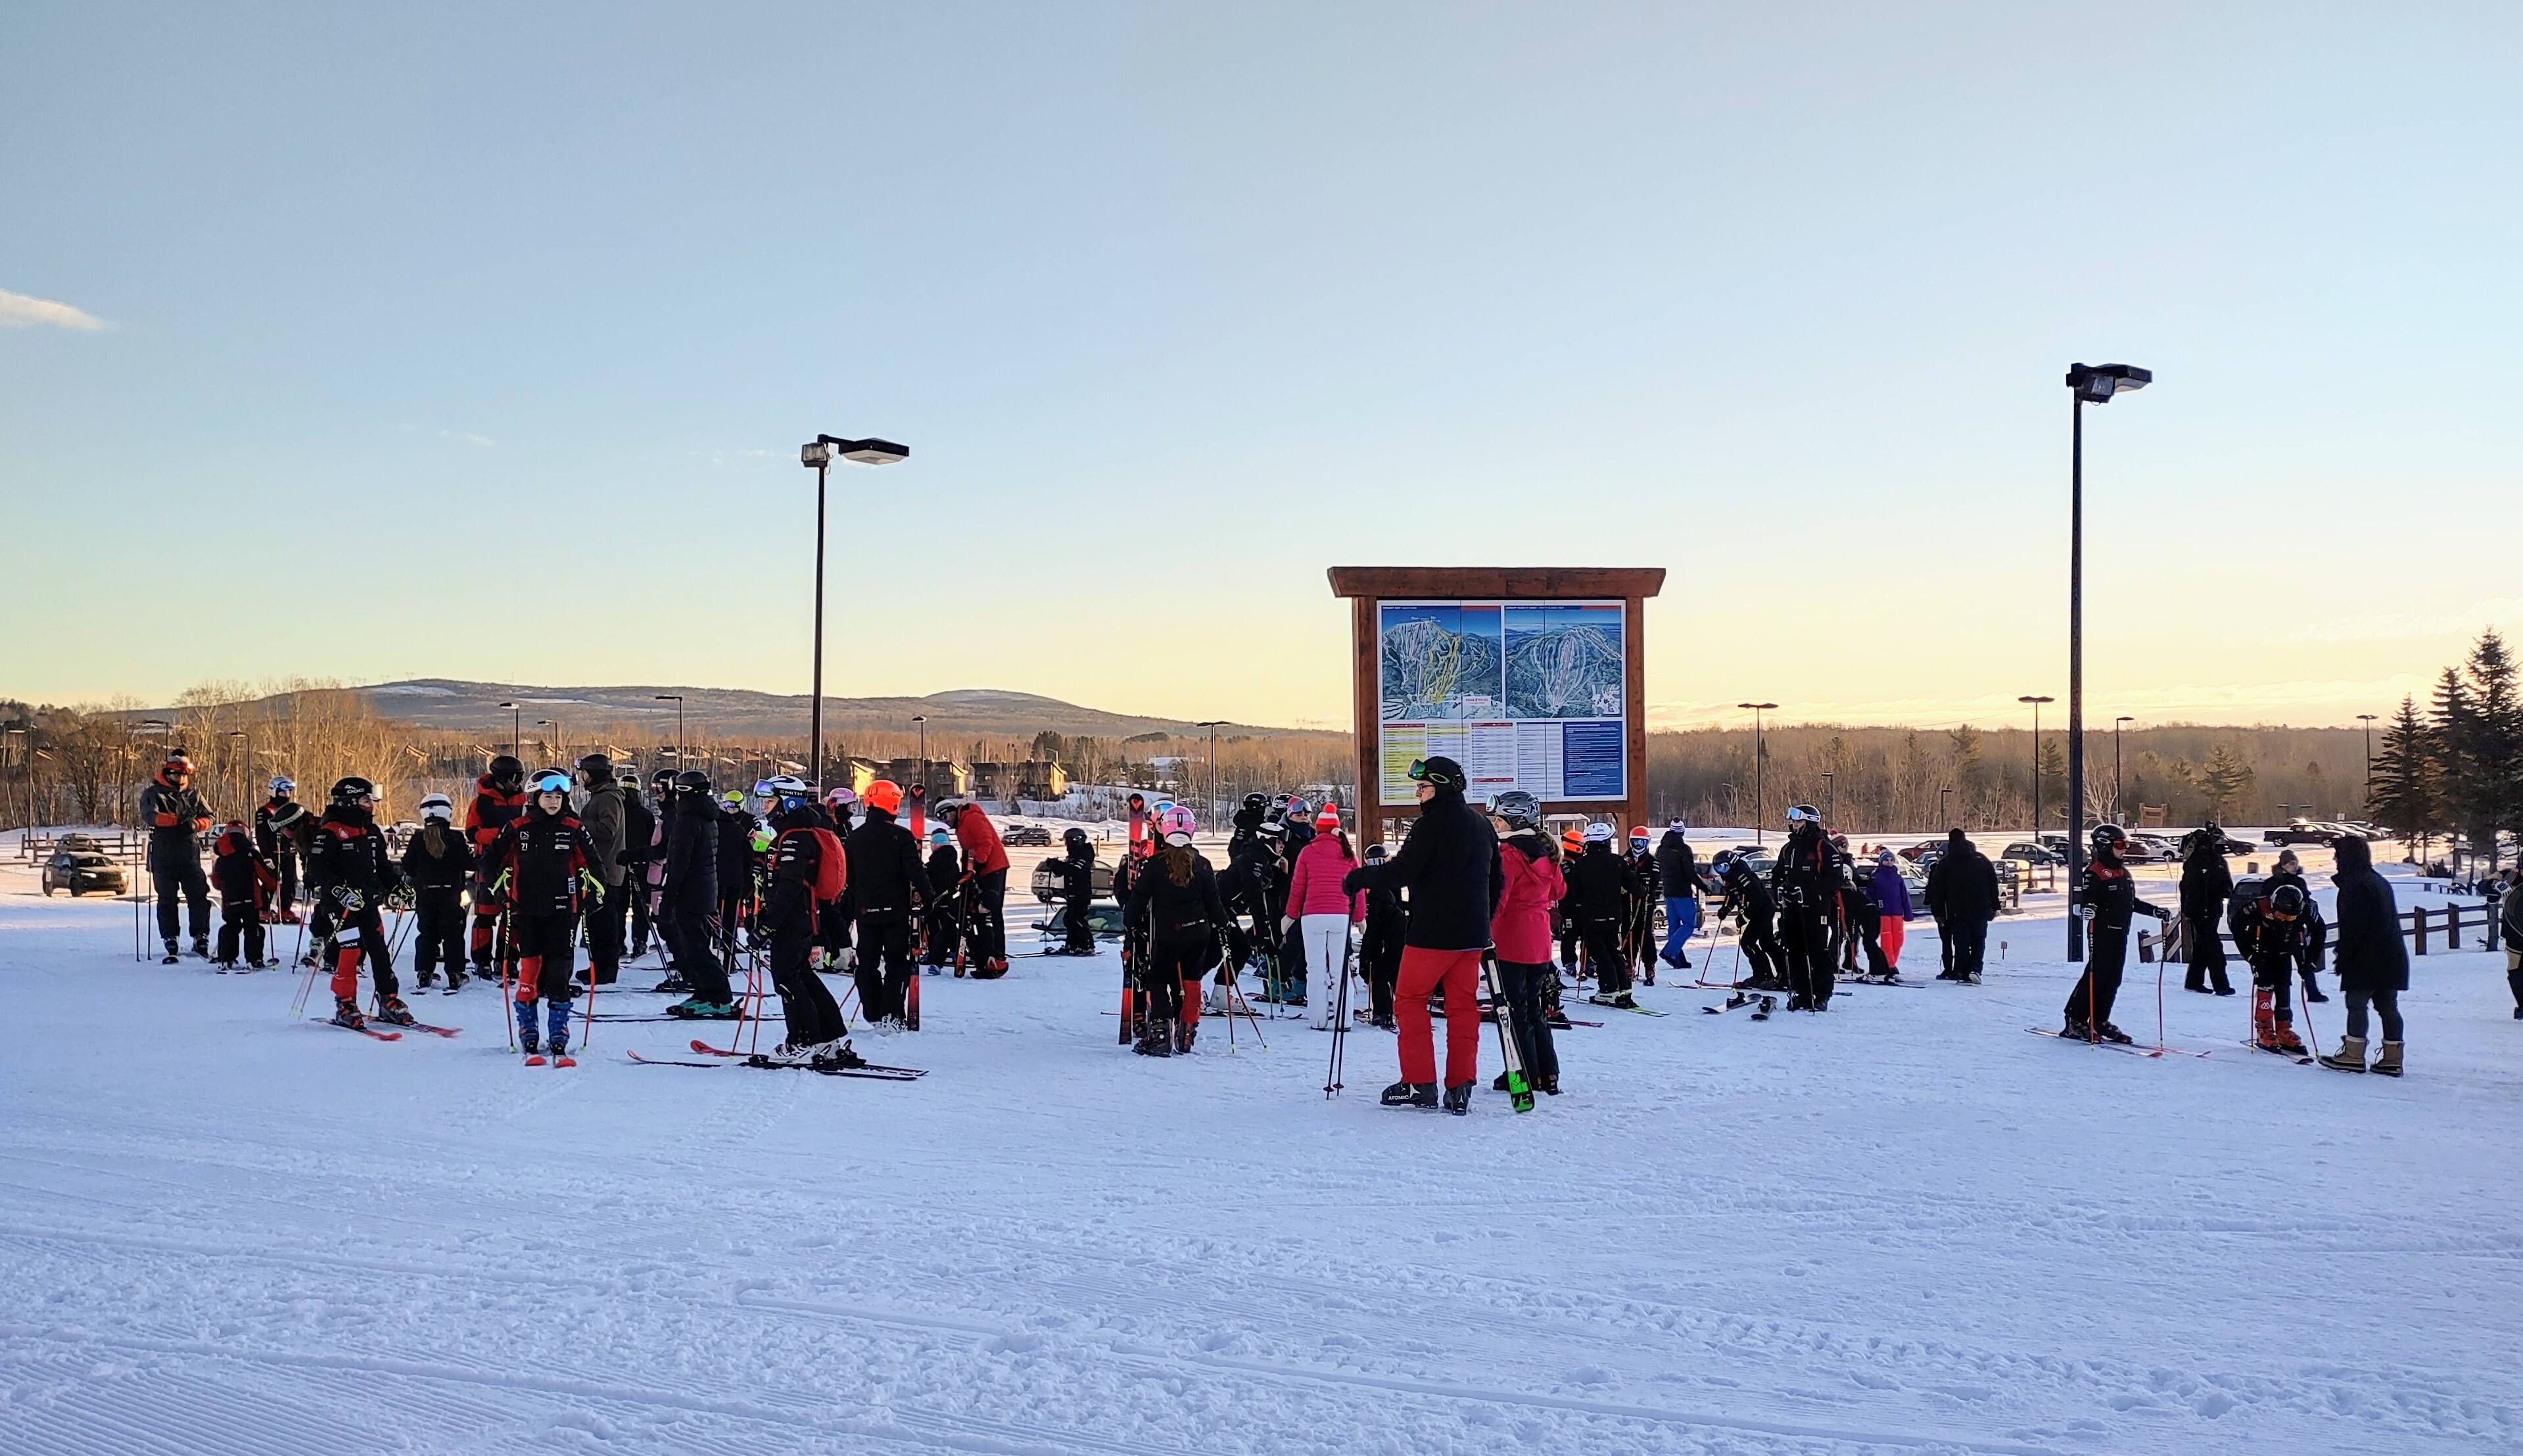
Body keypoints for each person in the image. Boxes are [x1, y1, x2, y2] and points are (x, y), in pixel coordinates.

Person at [1342, 757, 1502, 1115]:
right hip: (1471, 937)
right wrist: (1483, 920)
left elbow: (1401, 871)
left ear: (1441, 788)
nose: (1418, 793)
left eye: (1423, 787)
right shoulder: (1482, 825)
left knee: (1410, 1001)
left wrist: (1360, 878)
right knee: (1462, 1008)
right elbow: (1497, 879)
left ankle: (1419, 1082)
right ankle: (1460, 1085)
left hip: (1431, 935)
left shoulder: (1431, 825)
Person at [481, 768, 602, 1064]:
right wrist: (498, 890)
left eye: (559, 797)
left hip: (563, 911)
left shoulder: (573, 827)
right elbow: (490, 861)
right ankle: (528, 1026)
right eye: (548, 796)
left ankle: (559, 1029)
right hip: (527, 909)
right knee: (530, 971)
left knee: (559, 973)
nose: (554, 802)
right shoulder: (517, 826)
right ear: (535, 797)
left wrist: (595, 893)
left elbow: (594, 864)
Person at [753, 776, 862, 1067]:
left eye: (770, 801)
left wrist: (767, 926)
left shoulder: (795, 838)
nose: (765, 807)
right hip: (799, 919)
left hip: (793, 921)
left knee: (788, 980)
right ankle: (828, 1037)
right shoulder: (795, 832)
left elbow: (789, 888)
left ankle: (803, 1041)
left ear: (788, 804)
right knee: (802, 977)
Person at [305, 776, 413, 1029]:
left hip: (367, 901)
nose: (371, 805)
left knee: (378, 948)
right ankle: (345, 1002)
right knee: (351, 948)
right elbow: (316, 869)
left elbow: (383, 867)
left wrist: (398, 886)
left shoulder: (372, 832)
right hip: (340, 904)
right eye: (366, 800)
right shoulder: (330, 831)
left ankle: (388, 998)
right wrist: (339, 889)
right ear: (350, 802)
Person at [1125, 805, 1227, 1055]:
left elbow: (1138, 899)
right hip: (1198, 932)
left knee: (1158, 979)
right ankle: (1187, 1033)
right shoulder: (1203, 865)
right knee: (1192, 981)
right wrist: (1224, 925)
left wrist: (1130, 923)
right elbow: (1214, 902)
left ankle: (1161, 1035)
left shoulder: (1155, 865)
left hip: (1168, 933)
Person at [2063, 823, 2172, 1043]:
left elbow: (2130, 902)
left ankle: (2100, 1020)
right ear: (2104, 845)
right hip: (2102, 933)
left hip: (2121, 932)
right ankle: (2075, 1020)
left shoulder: (2123, 872)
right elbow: (2085, 902)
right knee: (2097, 976)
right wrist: (2086, 910)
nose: (2125, 850)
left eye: (2126, 845)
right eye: (2121, 845)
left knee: (2114, 978)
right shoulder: (2094, 873)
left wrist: (2154, 911)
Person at [1487, 791, 1565, 1094]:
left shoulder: (1508, 855)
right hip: (1539, 941)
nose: (1495, 824)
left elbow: (1499, 900)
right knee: (1535, 1008)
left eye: (1499, 819)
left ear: (1515, 821)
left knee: (1513, 1010)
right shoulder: (1547, 853)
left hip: (1510, 941)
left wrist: (1482, 931)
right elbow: (1559, 891)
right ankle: (1548, 1073)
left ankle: (1523, 1074)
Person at [2321, 835, 2407, 1074]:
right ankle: (2393, 1058)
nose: (2335, 860)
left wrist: (2344, 956)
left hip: (2366, 956)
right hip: (2391, 954)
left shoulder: (2355, 885)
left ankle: (2353, 1054)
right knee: (2388, 1006)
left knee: (2357, 1004)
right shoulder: (2378, 881)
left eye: (2338, 856)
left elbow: (2354, 927)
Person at [847, 780, 928, 1024]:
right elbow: (915, 872)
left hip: (865, 911)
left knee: (867, 963)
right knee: (896, 963)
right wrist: (930, 898)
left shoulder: (855, 837)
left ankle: (873, 1011)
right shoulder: (901, 837)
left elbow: (849, 876)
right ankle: (892, 1012)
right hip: (896, 912)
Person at [659, 772, 737, 1017]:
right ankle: (704, 992)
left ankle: (719, 997)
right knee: (693, 947)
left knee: (696, 950)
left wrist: (668, 899)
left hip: (691, 893)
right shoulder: (706, 816)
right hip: (703, 890)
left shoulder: (688, 820)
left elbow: (679, 863)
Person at [1283, 803, 1365, 1029]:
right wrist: (1360, 917)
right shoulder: (1348, 853)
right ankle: (1344, 1020)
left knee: (1315, 969)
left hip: (1313, 917)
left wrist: (1290, 915)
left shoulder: (1307, 852)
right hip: (1340, 916)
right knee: (1340, 969)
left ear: (1318, 829)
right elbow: (1358, 889)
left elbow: (1298, 887)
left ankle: (1318, 1020)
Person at [139, 751, 214, 962]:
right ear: (168, 773)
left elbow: (209, 817)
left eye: (184, 776)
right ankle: (170, 937)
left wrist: (196, 824)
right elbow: (150, 816)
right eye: (177, 775)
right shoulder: (153, 794)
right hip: (164, 853)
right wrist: (176, 820)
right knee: (167, 899)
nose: (181, 779)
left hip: (189, 853)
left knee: (199, 896)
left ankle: (201, 935)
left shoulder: (194, 794)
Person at [463, 755, 528, 979]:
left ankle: (507, 959)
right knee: (485, 915)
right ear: (502, 778)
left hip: (516, 864)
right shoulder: (481, 803)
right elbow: (472, 832)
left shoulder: (523, 801)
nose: (518, 783)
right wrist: (501, 835)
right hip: (489, 864)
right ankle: (482, 960)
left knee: (513, 916)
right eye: (515, 778)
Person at [402, 792, 475, 992]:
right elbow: (468, 864)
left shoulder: (418, 839)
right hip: (450, 894)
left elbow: (408, 867)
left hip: (425, 895)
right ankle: (455, 974)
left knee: (427, 933)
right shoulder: (455, 838)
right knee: (452, 934)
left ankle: (424, 972)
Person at [1565, 822, 1642, 1008]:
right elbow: (1637, 888)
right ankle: (1624, 988)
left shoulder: (1581, 864)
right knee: (1613, 950)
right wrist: (1643, 889)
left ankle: (1610, 989)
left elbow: (1573, 892)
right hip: (1613, 915)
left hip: (1591, 916)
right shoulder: (1618, 862)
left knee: (1600, 952)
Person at [1770, 805, 1838, 1012]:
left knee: (1817, 951)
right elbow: (1777, 874)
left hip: (1815, 909)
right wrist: (1779, 890)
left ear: (1809, 822)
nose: (1794, 824)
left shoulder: (1823, 847)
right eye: (1793, 821)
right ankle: (1802, 993)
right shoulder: (1789, 848)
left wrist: (1807, 891)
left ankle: (1822, 994)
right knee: (1794, 951)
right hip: (1791, 909)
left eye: (1799, 821)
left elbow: (1836, 879)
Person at [2235, 880, 2313, 1056]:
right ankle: (2264, 1028)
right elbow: (2237, 925)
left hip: (2284, 952)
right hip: (2262, 953)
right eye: (2282, 915)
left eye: (2291, 918)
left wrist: (2309, 961)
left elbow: (2318, 930)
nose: (2285, 919)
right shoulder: (2258, 906)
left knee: (2284, 985)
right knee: (2266, 985)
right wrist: (2249, 955)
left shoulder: (2303, 910)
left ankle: (2284, 1027)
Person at [939, 797, 1010, 975]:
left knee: (991, 910)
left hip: (993, 868)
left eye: (945, 817)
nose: (946, 822)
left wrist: (978, 863)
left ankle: (998, 956)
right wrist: (966, 873)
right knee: (976, 912)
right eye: (941, 820)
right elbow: (968, 851)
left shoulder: (971, 817)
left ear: (952, 812)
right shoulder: (961, 826)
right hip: (981, 871)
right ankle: (985, 956)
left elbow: (986, 841)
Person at [574, 754, 627, 987]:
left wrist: (578, 825)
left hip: (606, 871)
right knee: (596, 923)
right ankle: (598, 966)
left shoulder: (607, 798)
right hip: (599, 869)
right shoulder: (601, 796)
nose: (583, 778)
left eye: (585, 773)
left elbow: (607, 830)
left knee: (604, 924)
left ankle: (605, 970)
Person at [1925, 830, 1998, 983]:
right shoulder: (1982, 859)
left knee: (1961, 942)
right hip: (1981, 908)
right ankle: (1975, 969)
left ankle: (1964, 972)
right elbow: (1993, 883)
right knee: (1979, 940)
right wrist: (1995, 906)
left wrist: (1938, 912)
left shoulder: (1946, 863)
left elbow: (1938, 889)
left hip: (1957, 910)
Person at [2177, 825, 2238, 995]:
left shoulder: (2216, 861)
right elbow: (2196, 887)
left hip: (2211, 910)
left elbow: (2226, 884)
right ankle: (2221, 985)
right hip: (2201, 911)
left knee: (2203, 947)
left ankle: (2193, 982)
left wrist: (2224, 892)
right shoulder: (2201, 861)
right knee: (2214, 948)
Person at [1711, 850, 1785, 991]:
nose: (1721, 871)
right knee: (1767, 943)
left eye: (1724, 867)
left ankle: (1764, 976)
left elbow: (1757, 898)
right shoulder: (1730, 877)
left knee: (1748, 943)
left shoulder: (1743, 875)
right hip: (1759, 910)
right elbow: (1733, 894)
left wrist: (1745, 917)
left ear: (1732, 864)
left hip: (1762, 910)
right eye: (1718, 868)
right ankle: (1781, 976)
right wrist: (1726, 909)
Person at [209, 820, 275, 969]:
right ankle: (254, 959)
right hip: (251, 900)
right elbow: (266, 878)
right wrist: (271, 886)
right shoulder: (251, 854)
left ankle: (227, 959)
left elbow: (216, 882)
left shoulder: (221, 858)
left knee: (230, 928)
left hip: (229, 901)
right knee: (253, 928)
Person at [2269, 849, 2330, 1004]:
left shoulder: (2299, 882)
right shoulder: (2273, 882)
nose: (2295, 866)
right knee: (2279, 964)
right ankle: (2276, 991)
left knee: (2303, 961)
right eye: (2291, 864)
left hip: (2297, 929)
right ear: (2283, 865)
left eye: (2295, 863)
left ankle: (2313, 992)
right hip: (2277, 930)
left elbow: (2306, 901)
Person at [1356, 841, 1405, 1030]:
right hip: (1396, 935)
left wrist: (1365, 959)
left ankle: (1385, 1013)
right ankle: (1402, 1011)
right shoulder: (1390, 882)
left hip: (1391, 936)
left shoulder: (1377, 894)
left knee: (1380, 974)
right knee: (1392, 973)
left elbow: (1373, 932)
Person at [252, 775, 308, 924]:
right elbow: (262, 835)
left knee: (291, 882)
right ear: (274, 792)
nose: (287, 795)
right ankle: (264, 910)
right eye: (283, 792)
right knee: (270, 882)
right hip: (272, 853)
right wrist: (265, 855)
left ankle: (284, 909)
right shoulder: (264, 812)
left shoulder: (293, 810)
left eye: (289, 792)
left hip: (289, 852)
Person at [619, 771, 658, 961]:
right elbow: (652, 841)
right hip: (640, 864)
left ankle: (619, 943)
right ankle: (639, 941)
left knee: (620, 906)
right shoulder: (645, 815)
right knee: (640, 906)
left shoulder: (618, 813)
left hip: (621, 863)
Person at [1654, 818, 1700, 972]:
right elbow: (1690, 872)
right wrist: (1702, 886)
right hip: (1682, 892)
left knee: (1674, 926)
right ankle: (1669, 952)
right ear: (1682, 832)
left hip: (1668, 891)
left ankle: (1679, 960)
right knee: (1689, 924)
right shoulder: (1683, 849)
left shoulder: (1661, 849)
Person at [1050, 827, 1099, 955]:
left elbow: (1075, 870)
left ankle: (1087, 945)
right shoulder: (1074, 856)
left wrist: (1059, 866)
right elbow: (1065, 870)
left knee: (1077, 919)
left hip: (1081, 894)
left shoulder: (1084, 855)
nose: (1066, 845)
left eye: (1067, 841)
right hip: (1072, 893)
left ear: (1075, 841)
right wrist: (1054, 865)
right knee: (1069, 919)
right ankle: (1072, 944)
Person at [1624, 826, 1662, 985]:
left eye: (1642, 842)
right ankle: (1628, 962)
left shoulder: (1653, 862)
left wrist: (1647, 889)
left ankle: (1649, 964)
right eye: (1636, 842)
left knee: (1645, 934)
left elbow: (1655, 882)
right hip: (1627, 903)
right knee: (1628, 932)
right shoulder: (1624, 860)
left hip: (1646, 903)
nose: (1638, 845)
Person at [923, 827, 964, 970]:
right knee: (948, 926)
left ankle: (934, 953)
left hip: (937, 900)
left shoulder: (935, 862)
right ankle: (954, 948)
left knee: (935, 928)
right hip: (949, 899)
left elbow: (929, 877)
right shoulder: (952, 860)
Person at [1869, 849, 1914, 975]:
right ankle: (1889, 965)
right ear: (1881, 862)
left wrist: (1908, 913)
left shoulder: (1898, 878)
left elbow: (1904, 897)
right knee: (1887, 941)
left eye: (1891, 860)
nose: (1889, 863)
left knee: (1898, 941)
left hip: (1897, 913)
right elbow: (1871, 896)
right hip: (1883, 914)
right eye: (1886, 860)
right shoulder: (1876, 877)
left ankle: (1892, 962)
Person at [2503, 870, 2523, 1020]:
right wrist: (2492, 886)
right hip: (2514, 935)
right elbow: (2484, 886)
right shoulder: (2509, 876)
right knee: (2515, 973)